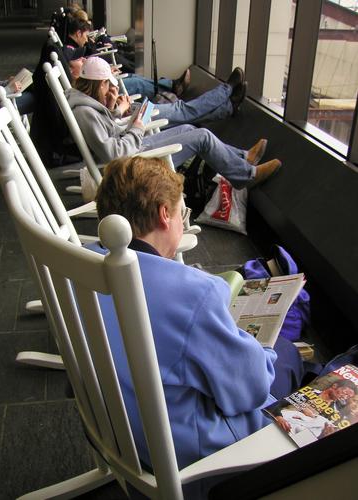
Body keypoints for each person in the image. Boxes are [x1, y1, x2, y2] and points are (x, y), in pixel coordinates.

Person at [88, 156, 303, 472]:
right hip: (180, 451)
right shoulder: (193, 293)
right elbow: (250, 391)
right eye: (181, 214)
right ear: (164, 214)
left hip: (110, 424)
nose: (181, 222)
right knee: (286, 355)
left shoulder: (80, 264)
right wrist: (263, 352)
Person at [66, 57, 282, 189]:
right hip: (130, 167)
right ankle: (246, 176)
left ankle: (243, 158)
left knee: (188, 127)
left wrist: (114, 110)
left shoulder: (85, 105)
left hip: (134, 150)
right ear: (98, 84)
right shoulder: (85, 112)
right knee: (202, 135)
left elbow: (108, 135)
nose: (108, 89)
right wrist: (137, 127)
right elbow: (113, 153)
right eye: (106, 85)